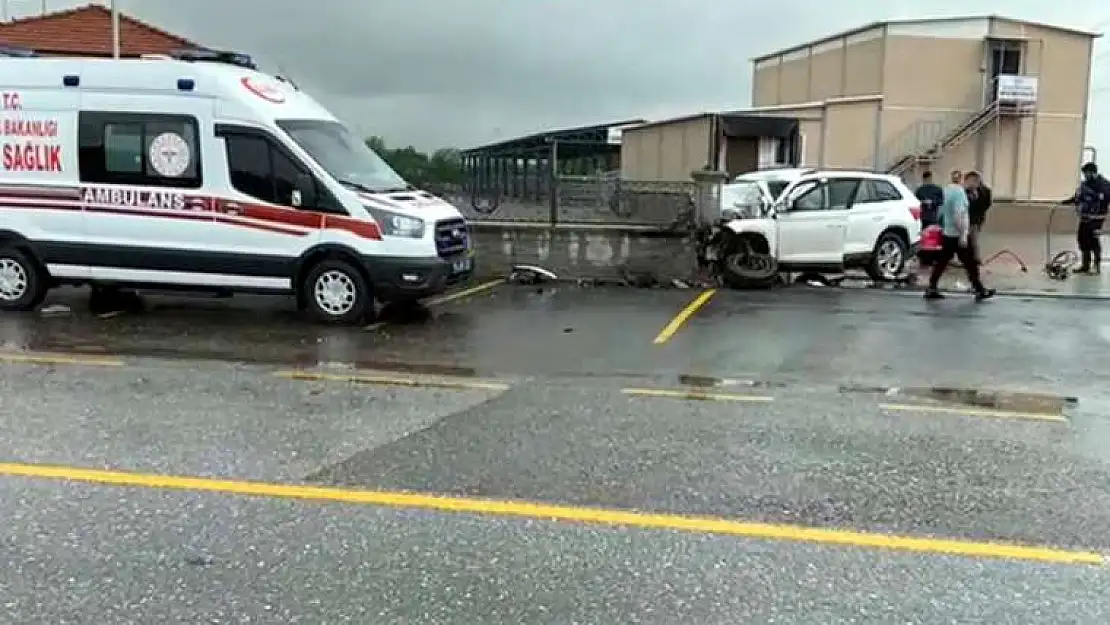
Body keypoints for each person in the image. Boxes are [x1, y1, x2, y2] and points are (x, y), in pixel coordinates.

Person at [923, 169, 996, 301]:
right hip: (958, 234)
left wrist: (940, 224)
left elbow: (940, 210)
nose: (977, 187)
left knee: (942, 262)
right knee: (970, 263)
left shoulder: (947, 190)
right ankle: (979, 289)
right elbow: (959, 214)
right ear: (971, 180)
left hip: (948, 233)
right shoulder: (960, 194)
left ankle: (932, 287)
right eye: (977, 183)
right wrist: (963, 234)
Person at [1061, 162, 1110, 274]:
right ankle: (1085, 265)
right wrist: (1068, 201)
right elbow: (1078, 196)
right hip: (1085, 217)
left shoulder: (1104, 185)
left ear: (1093, 172)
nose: (1085, 176)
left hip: (1097, 218)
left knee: (1093, 239)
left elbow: (1106, 197)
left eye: (1087, 173)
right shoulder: (1085, 184)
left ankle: (1096, 266)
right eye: (1084, 173)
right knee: (1082, 238)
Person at [963, 170, 992, 262]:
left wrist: (975, 195)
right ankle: (969, 258)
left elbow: (987, 204)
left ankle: (974, 258)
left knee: (973, 238)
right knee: (967, 239)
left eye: (973, 180)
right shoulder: (964, 190)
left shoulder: (985, 191)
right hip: (965, 218)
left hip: (976, 219)